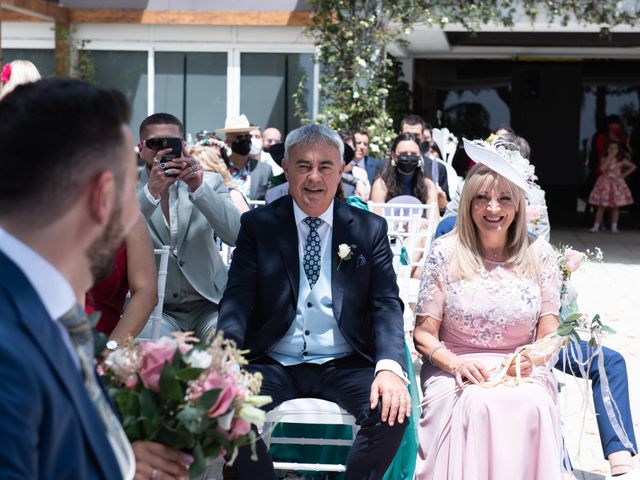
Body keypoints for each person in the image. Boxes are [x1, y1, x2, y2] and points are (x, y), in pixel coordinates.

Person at [0, 78, 191, 479]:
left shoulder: (48, 313)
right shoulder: (10, 353)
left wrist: (120, 461)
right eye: (130, 187)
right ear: (104, 197)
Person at [217, 124, 410, 479]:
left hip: (345, 361)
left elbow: (386, 304)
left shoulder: (368, 229)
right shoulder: (258, 226)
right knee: (226, 406)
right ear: (286, 170)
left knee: (391, 410)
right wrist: (226, 359)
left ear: (341, 171)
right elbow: (237, 298)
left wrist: (389, 367)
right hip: (272, 360)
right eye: (303, 166)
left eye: (325, 166)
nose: (314, 177)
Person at [413, 138, 564, 479]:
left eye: (504, 198)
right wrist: (455, 363)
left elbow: (550, 332)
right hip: (455, 366)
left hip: (519, 368)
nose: (492, 208)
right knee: (477, 403)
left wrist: (533, 359)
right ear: (468, 203)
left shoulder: (540, 254)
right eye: (482, 197)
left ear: (518, 205)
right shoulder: (445, 252)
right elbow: (422, 334)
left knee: (534, 403)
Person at [137, 112, 241, 341]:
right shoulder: (127, 186)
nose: (162, 151)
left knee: (228, 349)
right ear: (141, 148)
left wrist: (199, 189)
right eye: (155, 144)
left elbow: (236, 235)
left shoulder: (210, 182)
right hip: (155, 308)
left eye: (171, 144)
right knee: (150, 356)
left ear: (183, 146)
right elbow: (116, 236)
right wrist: (150, 193)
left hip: (209, 304)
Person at [85, 214, 158, 344]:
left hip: (102, 342)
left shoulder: (131, 220)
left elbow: (146, 294)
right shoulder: (46, 211)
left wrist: (111, 348)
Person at [371, 133, 447, 212]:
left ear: (420, 155)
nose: (409, 158)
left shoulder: (428, 185)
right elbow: (377, 219)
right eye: (403, 154)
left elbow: (434, 220)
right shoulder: (381, 185)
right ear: (393, 156)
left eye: (414, 154)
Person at [216, 115, 273, 200]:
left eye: (247, 136)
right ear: (228, 143)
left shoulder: (264, 170)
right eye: (239, 137)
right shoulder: (219, 169)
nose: (245, 140)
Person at [588, 141, 636, 233]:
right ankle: (596, 226)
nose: (613, 150)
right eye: (610, 148)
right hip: (605, 183)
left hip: (616, 184)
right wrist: (609, 158)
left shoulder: (621, 160)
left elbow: (633, 166)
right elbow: (602, 168)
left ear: (618, 150)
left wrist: (623, 175)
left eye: (615, 148)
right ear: (607, 149)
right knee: (601, 205)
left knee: (615, 206)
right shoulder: (604, 158)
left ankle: (614, 227)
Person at [189, 144, 250, 214]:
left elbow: (245, 224)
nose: (195, 179)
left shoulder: (233, 196)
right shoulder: (187, 196)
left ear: (214, 170)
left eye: (203, 173)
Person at [400, 115, 450, 199]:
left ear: (423, 136)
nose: (412, 138)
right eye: (407, 134)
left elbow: (445, 207)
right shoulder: (383, 166)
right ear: (400, 134)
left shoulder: (438, 168)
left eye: (416, 135)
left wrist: (440, 200)